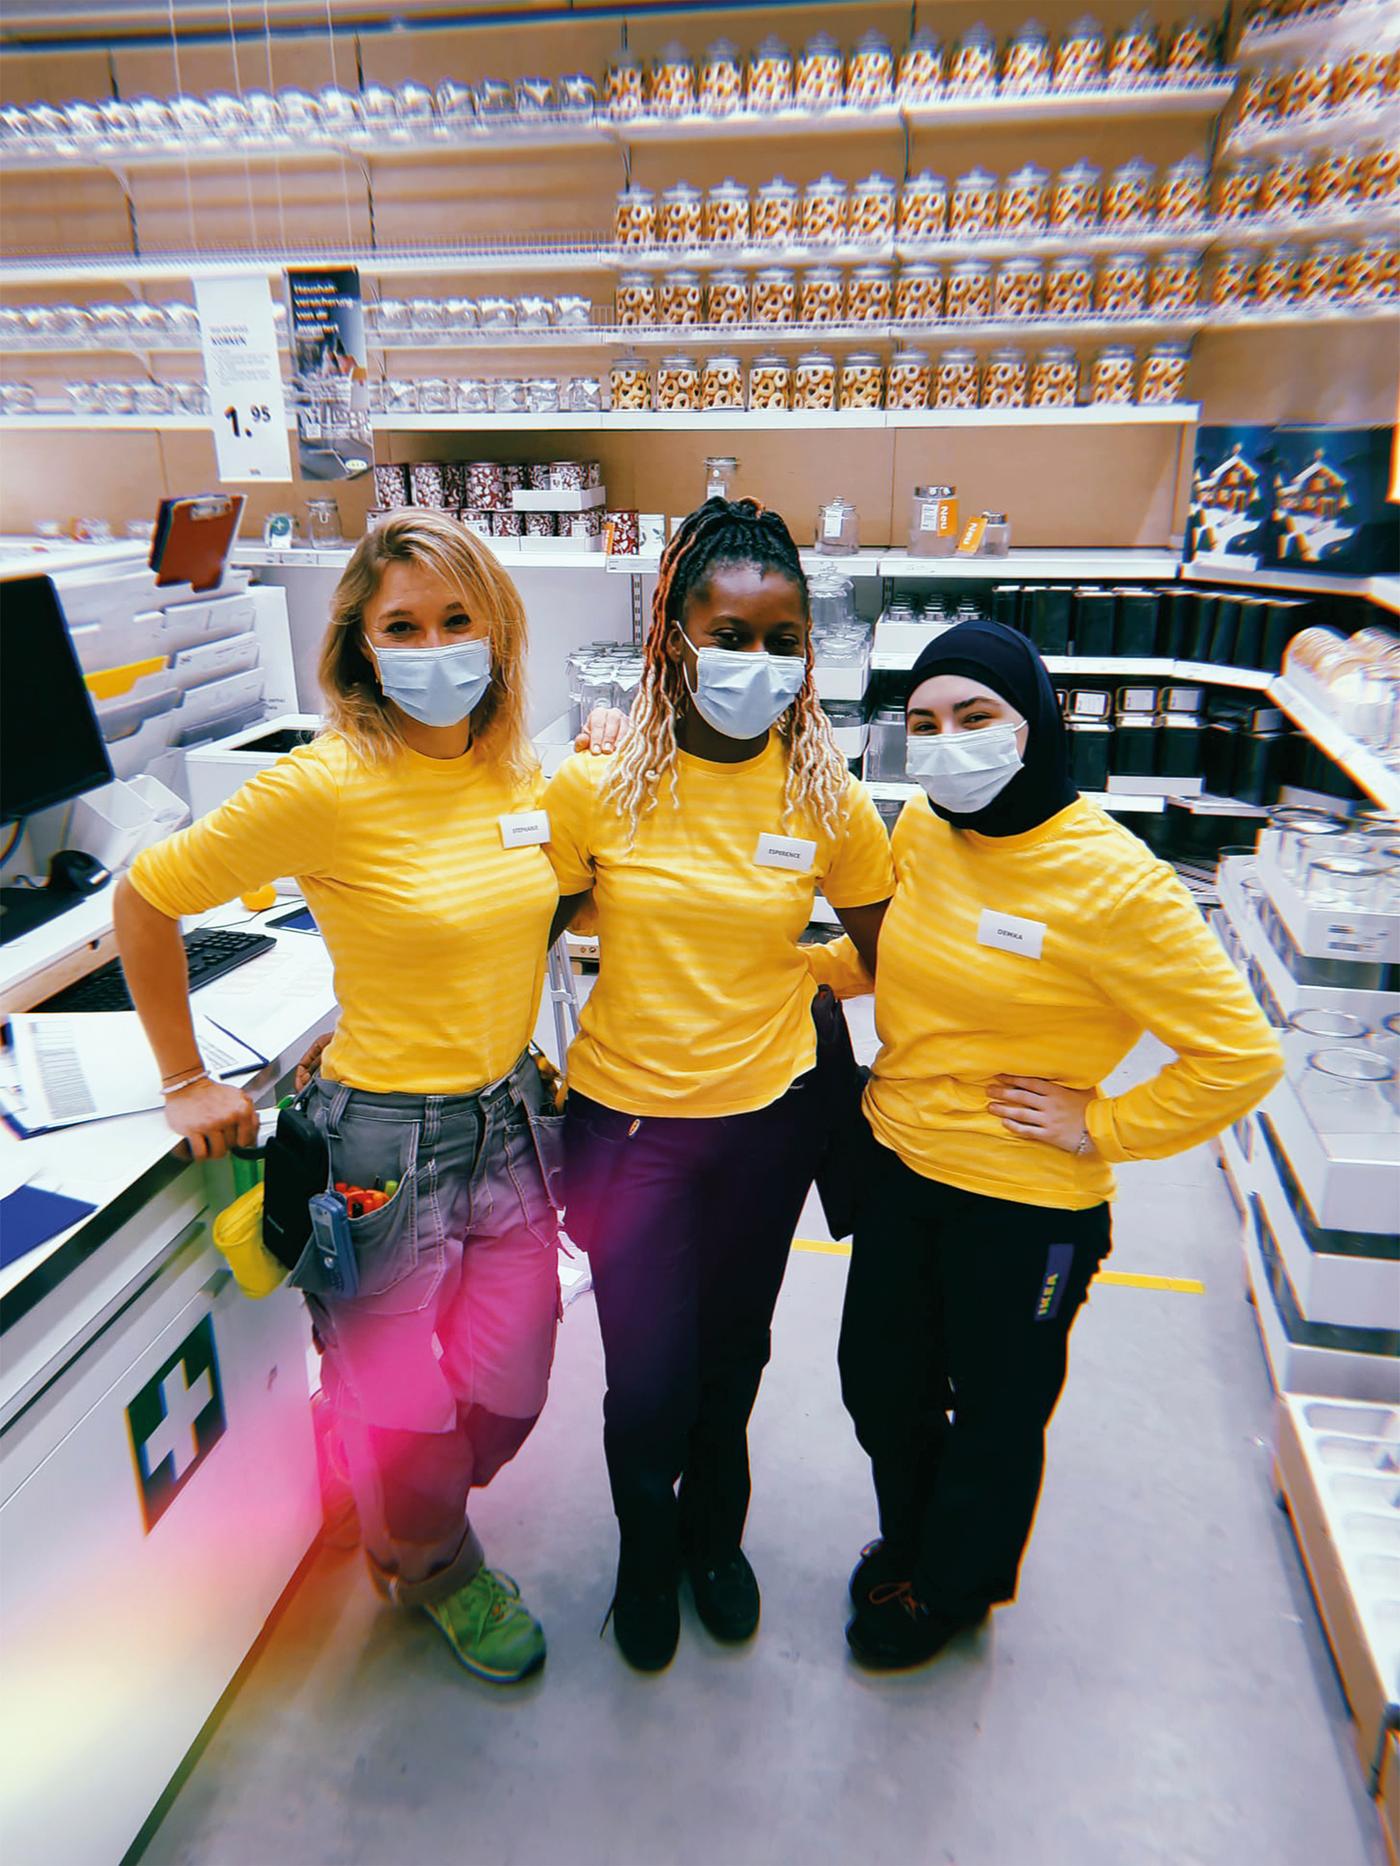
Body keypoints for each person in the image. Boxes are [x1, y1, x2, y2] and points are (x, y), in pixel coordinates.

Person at [116, 511, 614, 1686]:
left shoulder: (514, 769)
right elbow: (144, 900)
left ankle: (391, 1484)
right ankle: (433, 1566)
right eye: (404, 625)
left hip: (507, 1126)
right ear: (359, 645)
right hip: (382, 1148)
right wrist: (185, 1078)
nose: (434, 645)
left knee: (511, 1380)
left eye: (458, 620)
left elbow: (541, 902)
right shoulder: (323, 786)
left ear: (497, 632)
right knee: (410, 1407)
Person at [808, 620, 1284, 1670]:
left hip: (1025, 1211)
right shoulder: (922, 830)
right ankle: (911, 1536)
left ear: (1036, 725)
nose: (946, 744)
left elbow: (1239, 1058)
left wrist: (1100, 1123)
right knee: (879, 1381)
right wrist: (795, 971)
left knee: (995, 1406)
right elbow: (893, 955)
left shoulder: (1119, 886)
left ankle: (948, 1588)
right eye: (924, 722)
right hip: (896, 1163)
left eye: (974, 717)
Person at [544, 498, 896, 1672]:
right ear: (672, 639)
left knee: (732, 1355)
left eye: (781, 637)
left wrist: (807, 968)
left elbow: (890, 944)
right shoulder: (596, 786)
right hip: (629, 1125)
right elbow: (509, 934)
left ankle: (713, 1541)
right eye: (728, 634)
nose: (756, 663)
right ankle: (646, 1557)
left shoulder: (823, 794)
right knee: (645, 1375)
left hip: (767, 1127)